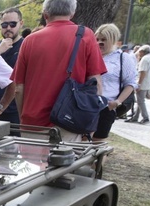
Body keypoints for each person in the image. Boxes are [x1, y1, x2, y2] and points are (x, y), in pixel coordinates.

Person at [12, 0, 106, 141]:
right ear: (72, 13)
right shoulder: (85, 35)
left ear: (45, 14)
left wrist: (24, 119)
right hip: (69, 122)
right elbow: (95, 82)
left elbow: (18, 88)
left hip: (33, 124)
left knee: (32, 163)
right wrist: (90, 121)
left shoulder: (29, 41)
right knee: (67, 163)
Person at [91, 24, 137, 142]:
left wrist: (117, 102)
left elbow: (130, 83)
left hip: (106, 107)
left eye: (104, 39)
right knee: (81, 142)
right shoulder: (90, 55)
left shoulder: (123, 58)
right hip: (86, 105)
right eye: (97, 39)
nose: (100, 42)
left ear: (113, 40)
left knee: (97, 144)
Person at [0, 7, 25, 134]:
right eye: (4, 24)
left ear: (21, 23)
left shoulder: (26, 46)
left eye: (13, 24)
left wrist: (2, 107)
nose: (8, 28)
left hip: (16, 111)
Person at [126, 45, 150, 124]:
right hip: (148, 83)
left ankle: (145, 118)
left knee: (141, 101)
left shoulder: (144, 59)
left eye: (139, 52)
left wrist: (138, 84)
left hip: (142, 83)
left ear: (142, 52)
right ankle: (135, 117)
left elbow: (143, 72)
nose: (138, 54)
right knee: (140, 100)